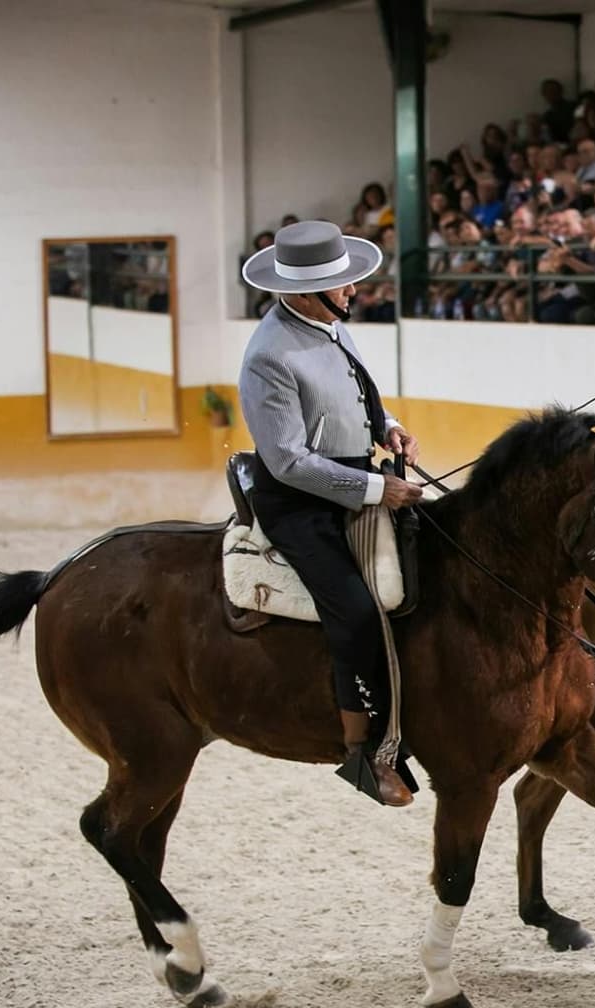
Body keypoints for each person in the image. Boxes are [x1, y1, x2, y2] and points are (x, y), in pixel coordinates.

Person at [238, 221, 425, 806]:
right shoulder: (269, 355)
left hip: (357, 477)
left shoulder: (328, 326)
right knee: (355, 609)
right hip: (299, 502)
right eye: (341, 286)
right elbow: (290, 461)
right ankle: (361, 754)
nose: (352, 293)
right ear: (300, 292)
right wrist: (374, 490)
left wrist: (388, 426)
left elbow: (356, 392)